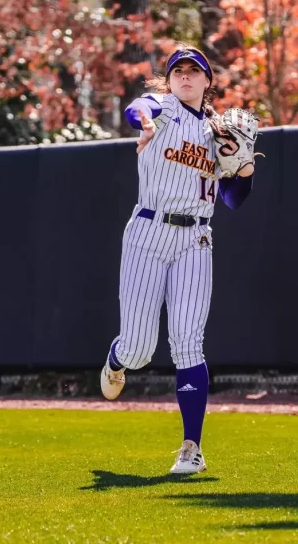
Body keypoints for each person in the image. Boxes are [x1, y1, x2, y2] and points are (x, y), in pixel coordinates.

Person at [99, 44, 255, 474]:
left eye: (194, 70)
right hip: (148, 232)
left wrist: (243, 169)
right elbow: (137, 107)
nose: (185, 76)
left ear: (208, 81)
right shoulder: (163, 107)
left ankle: (192, 448)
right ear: (170, 80)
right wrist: (144, 121)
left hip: (196, 239)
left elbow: (233, 201)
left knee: (188, 342)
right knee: (139, 348)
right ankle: (117, 359)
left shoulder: (221, 131)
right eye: (178, 71)